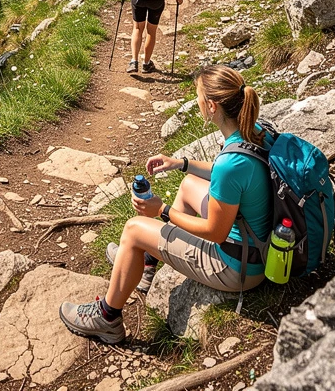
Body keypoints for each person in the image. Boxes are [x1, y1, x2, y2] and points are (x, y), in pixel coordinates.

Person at [59, 65, 271, 344]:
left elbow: (215, 232)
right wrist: (181, 164)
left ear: (211, 106)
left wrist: (162, 211)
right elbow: (229, 174)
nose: (195, 102)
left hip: (237, 267)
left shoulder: (232, 166)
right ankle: (147, 264)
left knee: (133, 229)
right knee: (188, 185)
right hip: (255, 243)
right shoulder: (252, 130)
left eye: (197, 97)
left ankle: (107, 317)